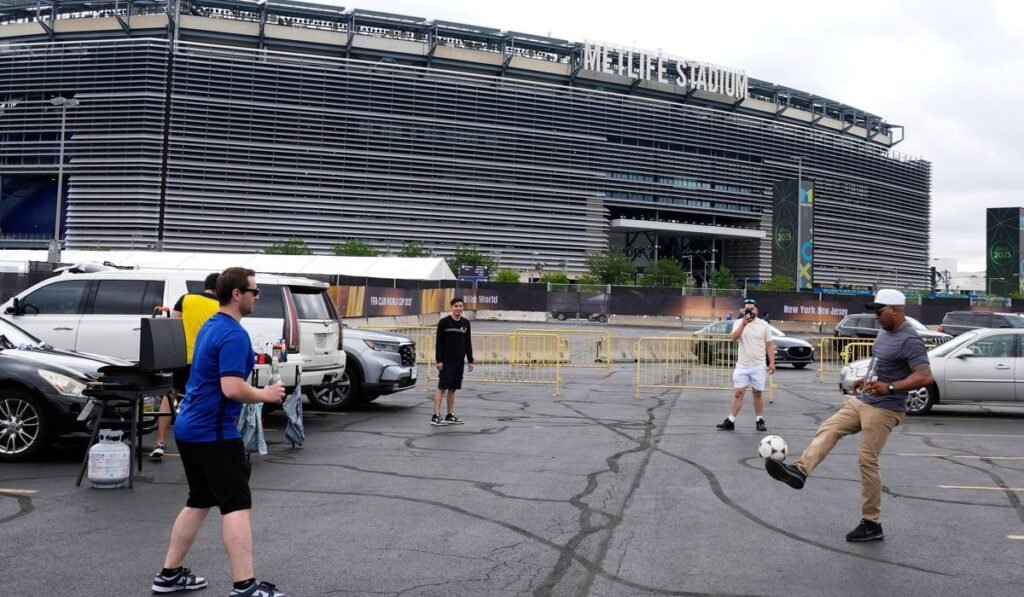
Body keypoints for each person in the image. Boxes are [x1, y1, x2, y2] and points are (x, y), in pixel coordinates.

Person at [152, 267, 287, 597]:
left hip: (190, 428)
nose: (258, 297)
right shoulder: (233, 334)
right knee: (237, 505)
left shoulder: (213, 326)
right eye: (254, 291)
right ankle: (245, 586)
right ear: (238, 294)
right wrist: (266, 396)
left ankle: (169, 575)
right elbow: (231, 388)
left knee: (199, 501)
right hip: (213, 433)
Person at [765, 289, 933, 542]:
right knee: (830, 427)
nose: (875, 317)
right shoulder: (885, 333)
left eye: (879, 311)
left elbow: (924, 376)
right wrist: (867, 379)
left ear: (895, 310)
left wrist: (889, 387)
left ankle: (872, 523)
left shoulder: (909, 339)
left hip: (886, 407)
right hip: (865, 399)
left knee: (867, 460)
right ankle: (799, 472)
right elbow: (884, 365)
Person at [150, 272, 220, 461]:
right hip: (205, 360)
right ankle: (199, 443)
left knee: (170, 393)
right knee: (201, 397)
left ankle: (160, 443)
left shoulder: (186, 299)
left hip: (181, 357)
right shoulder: (221, 306)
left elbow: (173, 324)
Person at [716, 298, 774, 432]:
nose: (750, 311)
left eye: (752, 308)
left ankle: (759, 419)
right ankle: (730, 420)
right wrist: (743, 324)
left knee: (757, 393)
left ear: (756, 310)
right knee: (738, 392)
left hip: (758, 365)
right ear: (743, 310)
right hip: (742, 365)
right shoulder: (738, 323)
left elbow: (770, 344)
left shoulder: (764, 325)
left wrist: (771, 362)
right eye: (747, 309)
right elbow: (733, 338)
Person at [432, 296, 474, 426]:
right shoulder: (444, 322)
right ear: (451, 307)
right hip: (446, 361)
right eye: (456, 306)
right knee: (442, 388)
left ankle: (450, 414)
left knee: (453, 389)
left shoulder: (466, 323)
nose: (458, 308)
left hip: (459, 362)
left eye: (460, 306)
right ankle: (436, 415)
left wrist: (470, 360)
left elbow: (468, 343)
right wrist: (439, 360)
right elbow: (439, 343)